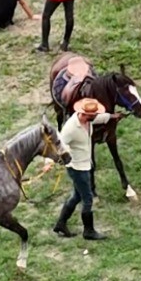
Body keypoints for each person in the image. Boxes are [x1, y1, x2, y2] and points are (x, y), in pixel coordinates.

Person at [55, 97, 111, 241]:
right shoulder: (71, 128)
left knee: (77, 196)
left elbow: (98, 119)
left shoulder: (87, 120)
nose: (95, 117)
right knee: (87, 198)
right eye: (92, 115)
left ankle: (61, 224)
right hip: (77, 167)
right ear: (84, 114)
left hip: (85, 164)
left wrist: (112, 117)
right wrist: (52, 161)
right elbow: (60, 144)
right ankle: (88, 231)